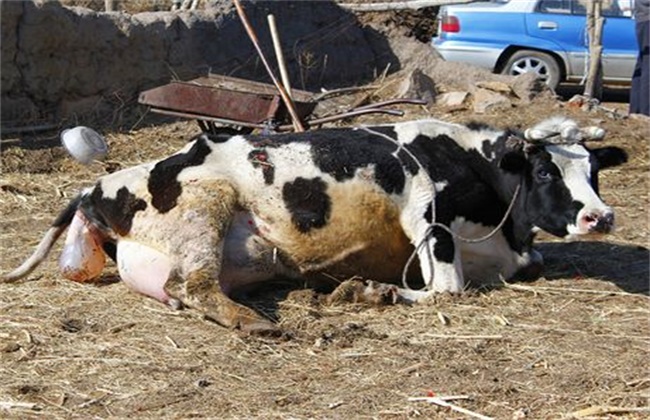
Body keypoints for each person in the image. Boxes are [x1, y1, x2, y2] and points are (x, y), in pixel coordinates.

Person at [630, 0, 650, 115]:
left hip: (643, 19)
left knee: (643, 63)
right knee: (647, 65)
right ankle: (646, 111)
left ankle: (637, 109)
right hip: (647, 18)